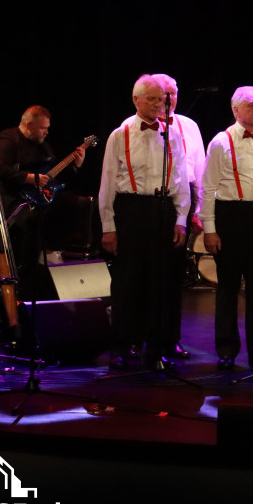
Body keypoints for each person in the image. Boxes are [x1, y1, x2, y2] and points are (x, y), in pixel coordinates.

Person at [99, 76, 189, 368]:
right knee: (128, 280)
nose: (158, 103)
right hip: (131, 209)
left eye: (160, 98)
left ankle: (158, 344)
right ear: (136, 100)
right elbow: (108, 185)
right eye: (151, 98)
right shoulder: (120, 134)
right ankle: (123, 343)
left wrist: (182, 219)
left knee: (160, 281)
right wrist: (108, 226)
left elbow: (180, 180)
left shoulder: (171, 134)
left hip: (163, 208)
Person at [200, 86, 253, 371]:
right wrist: (209, 228)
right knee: (229, 286)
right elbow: (208, 187)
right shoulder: (221, 142)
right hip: (231, 215)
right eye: (251, 105)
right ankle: (227, 348)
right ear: (236, 110)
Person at [0, 105, 86, 299]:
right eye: (43, 128)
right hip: (12, 197)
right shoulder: (8, 139)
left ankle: (52, 249)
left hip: (39, 198)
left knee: (79, 203)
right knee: (31, 219)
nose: (47, 131)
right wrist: (27, 177)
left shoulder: (43, 145)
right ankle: (27, 278)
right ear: (29, 125)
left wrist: (75, 166)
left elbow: (53, 180)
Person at [152, 73, 206, 359]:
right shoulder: (133, 128)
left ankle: (170, 338)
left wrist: (196, 213)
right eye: (163, 95)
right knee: (145, 275)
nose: (168, 101)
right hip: (147, 204)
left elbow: (199, 172)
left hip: (180, 206)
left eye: (173, 95)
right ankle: (140, 337)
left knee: (173, 278)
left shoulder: (189, 126)